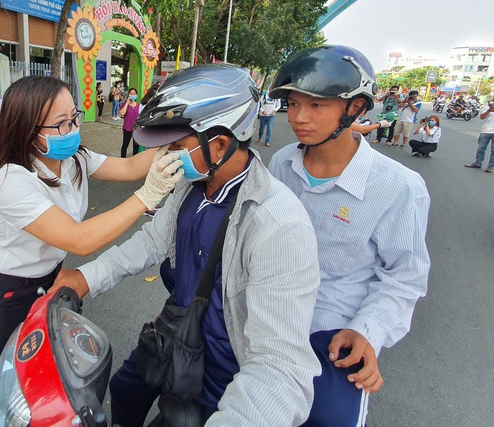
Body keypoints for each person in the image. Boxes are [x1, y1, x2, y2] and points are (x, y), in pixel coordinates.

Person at [51, 64, 321, 426]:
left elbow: (279, 367)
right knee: (125, 390)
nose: (164, 157)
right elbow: (150, 242)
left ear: (221, 144)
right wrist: (86, 278)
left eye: (176, 146)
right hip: (174, 332)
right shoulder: (189, 185)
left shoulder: (277, 224)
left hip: (223, 371)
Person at [0, 75, 183, 393]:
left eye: (75, 117)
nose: (73, 129)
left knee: (47, 370)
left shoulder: (75, 159)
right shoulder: (9, 180)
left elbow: (128, 168)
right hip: (9, 291)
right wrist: (147, 196)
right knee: (11, 380)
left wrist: (179, 140)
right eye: (61, 124)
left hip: (52, 277)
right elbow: (78, 239)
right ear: (28, 130)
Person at [267, 45, 431, 426]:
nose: (298, 118)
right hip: (268, 317)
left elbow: (404, 278)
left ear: (355, 108)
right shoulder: (281, 164)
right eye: (292, 104)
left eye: (316, 105)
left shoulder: (399, 188)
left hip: (332, 334)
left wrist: (366, 331)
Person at [465, 99, 494, 173]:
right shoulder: (487, 107)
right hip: (486, 131)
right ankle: (478, 163)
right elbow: (482, 117)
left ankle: (491, 166)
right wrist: (489, 110)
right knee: (481, 148)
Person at [119, 87, 141, 157]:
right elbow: (122, 113)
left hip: (136, 129)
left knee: (136, 146)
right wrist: (127, 103)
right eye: (131, 94)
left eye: (134, 94)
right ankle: (122, 159)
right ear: (128, 95)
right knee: (125, 145)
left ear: (136, 95)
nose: (133, 95)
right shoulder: (125, 105)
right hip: (127, 128)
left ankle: (134, 160)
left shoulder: (139, 106)